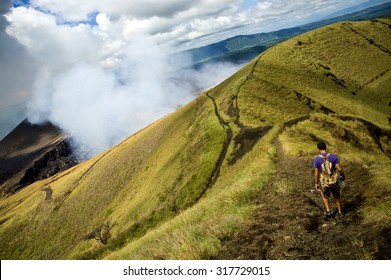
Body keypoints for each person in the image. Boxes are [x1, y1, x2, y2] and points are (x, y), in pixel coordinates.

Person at [313, 141, 345, 218]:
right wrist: (342, 175)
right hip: (334, 180)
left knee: (325, 196)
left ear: (318, 149)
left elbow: (316, 173)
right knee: (337, 196)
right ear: (325, 147)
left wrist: (316, 183)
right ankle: (340, 212)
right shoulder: (333, 156)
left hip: (324, 182)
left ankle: (328, 211)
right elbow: (339, 168)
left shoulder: (317, 159)